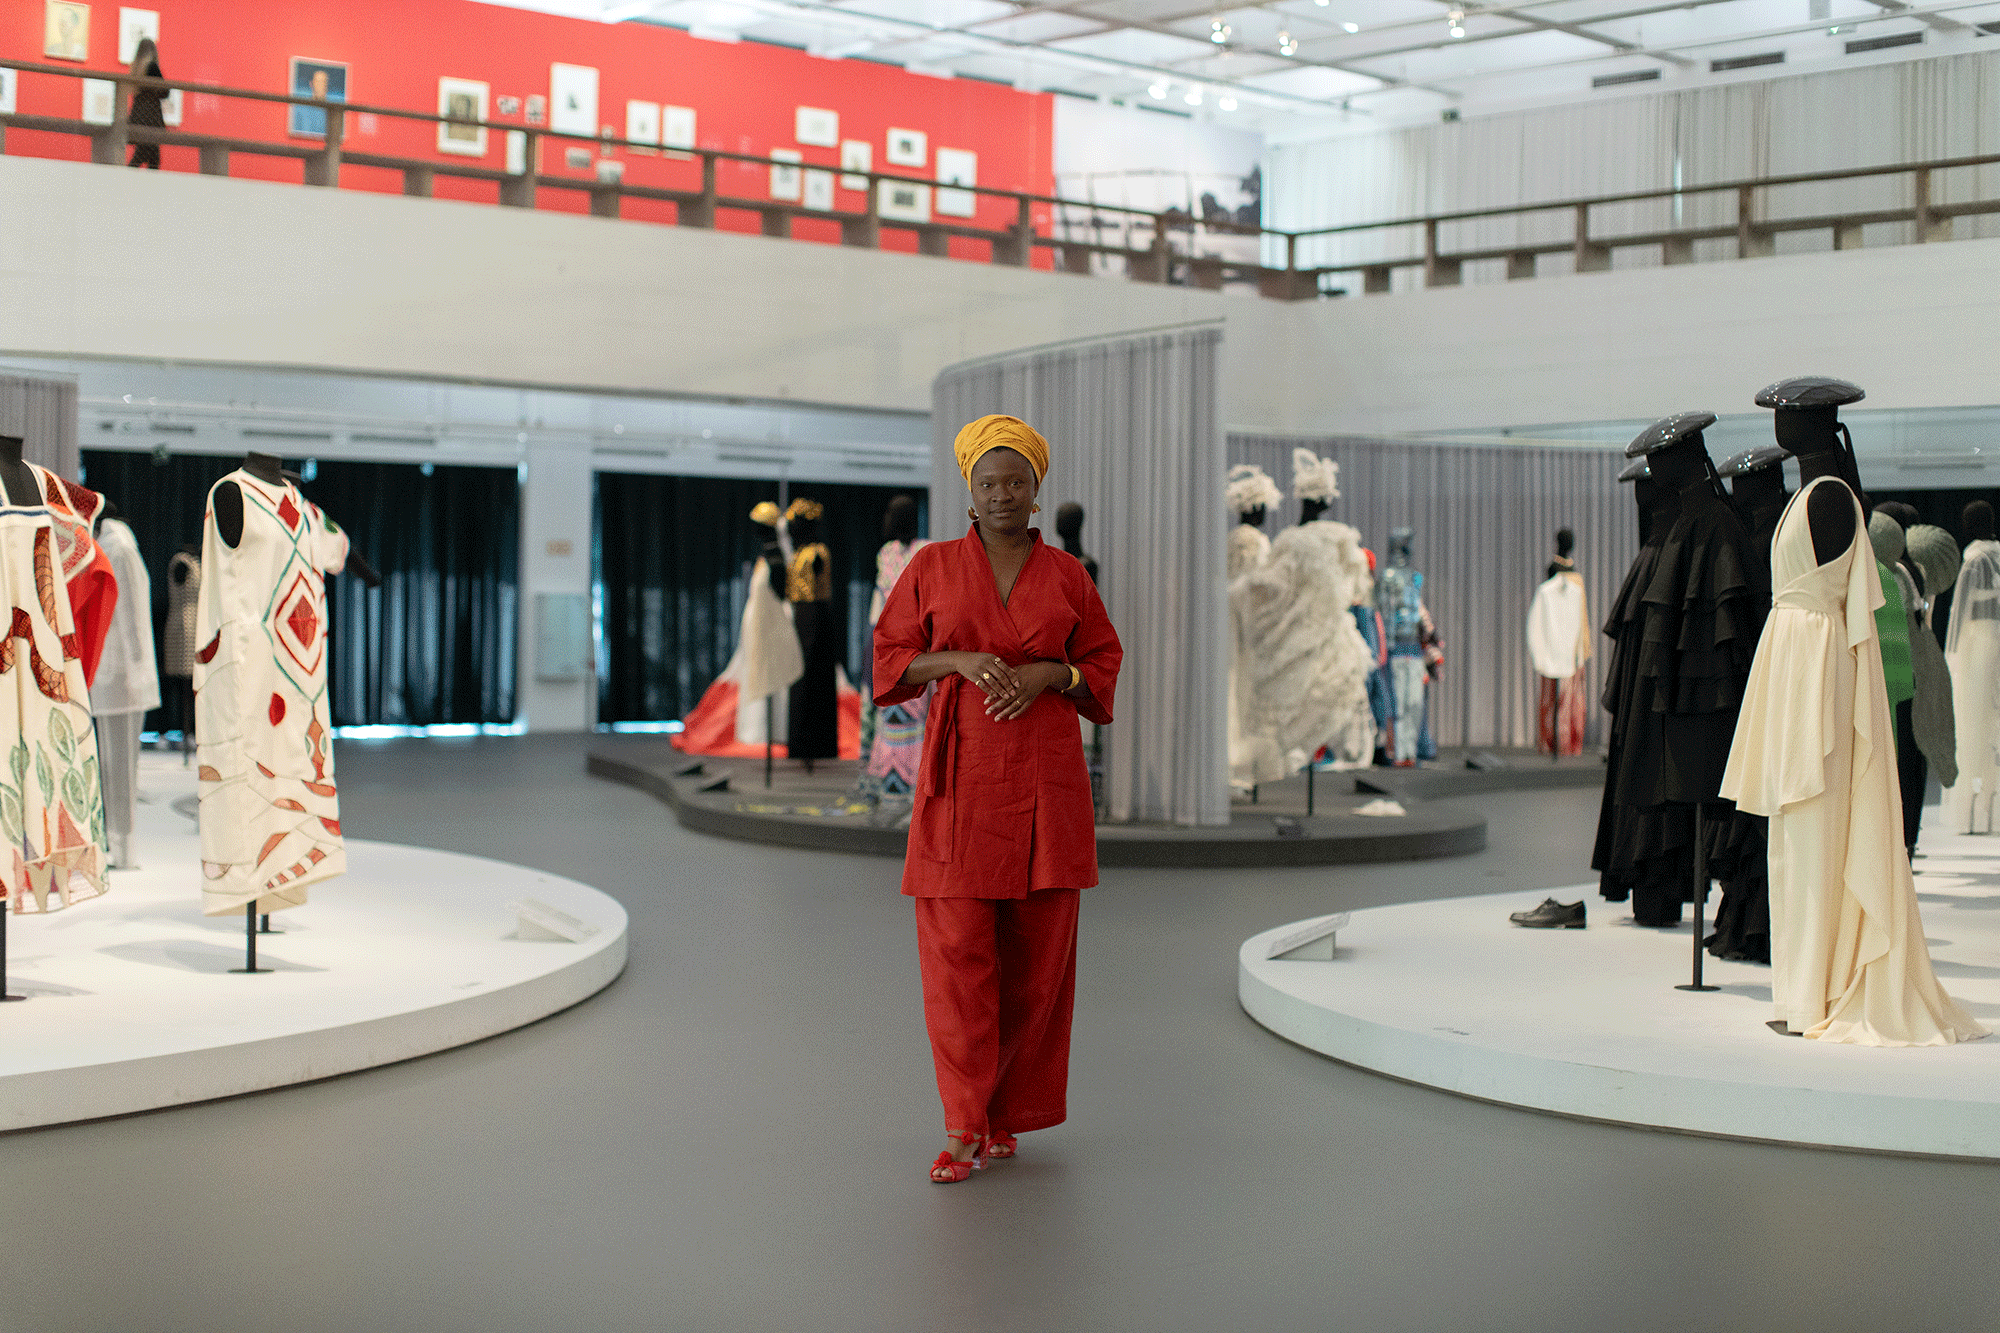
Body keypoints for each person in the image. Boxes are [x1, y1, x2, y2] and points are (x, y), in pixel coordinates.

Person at [872, 414, 1122, 1183]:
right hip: (960, 784)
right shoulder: (933, 566)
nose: (1003, 494)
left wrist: (1053, 674)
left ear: (1036, 490)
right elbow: (889, 658)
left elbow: (1102, 661)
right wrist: (958, 658)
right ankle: (961, 1124)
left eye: (1017, 481)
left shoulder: (1070, 576)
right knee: (956, 961)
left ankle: (1002, 1115)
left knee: (1035, 966)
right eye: (989, 482)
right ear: (969, 493)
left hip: (1046, 782)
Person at [128, 38, 165, 169]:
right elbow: (165, 92)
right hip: (151, 118)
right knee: (152, 158)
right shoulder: (152, 66)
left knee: (142, 154)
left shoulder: (135, 67)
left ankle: (125, 181)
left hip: (138, 116)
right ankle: (124, 182)